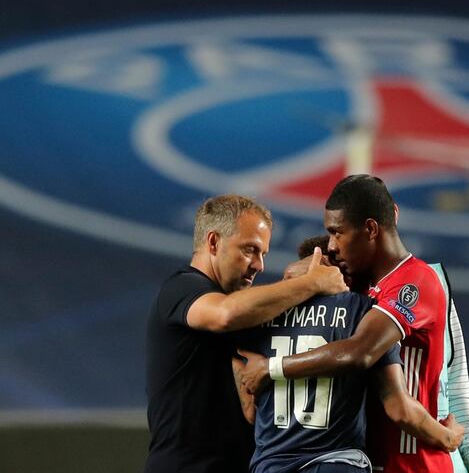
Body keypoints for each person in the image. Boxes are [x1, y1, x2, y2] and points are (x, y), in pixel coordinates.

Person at [240, 175, 469, 473]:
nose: (332, 246)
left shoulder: (417, 281)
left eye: (338, 233)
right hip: (372, 462)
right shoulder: (354, 290)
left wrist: (273, 368)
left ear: (371, 228)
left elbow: (364, 352)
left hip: (417, 463)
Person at [144, 194, 347, 473]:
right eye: (250, 250)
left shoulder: (246, 310)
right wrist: (312, 283)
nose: (259, 265)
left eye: (263, 254)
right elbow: (225, 314)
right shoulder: (182, 289)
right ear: (213, 242)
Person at [233, 238, 464, 473]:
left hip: (272, 465)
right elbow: (398, 407)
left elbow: (250, 411)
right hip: (337, 463)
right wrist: (448, 437)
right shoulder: (364, 313)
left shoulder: (257, 318)